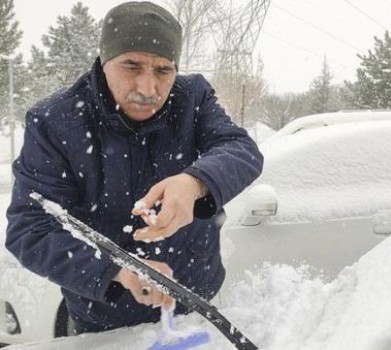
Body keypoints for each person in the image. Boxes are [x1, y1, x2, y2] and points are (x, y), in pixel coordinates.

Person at [4, 1, 263, 334]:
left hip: (197, 309)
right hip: (104, 323)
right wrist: (116, 271)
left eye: (162, 70)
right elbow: (29, 228)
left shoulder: (192, 97)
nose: (147, 88)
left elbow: (241, 149)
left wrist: (195, 181)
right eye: (131, 65)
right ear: (104, 60)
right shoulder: (56, 122)